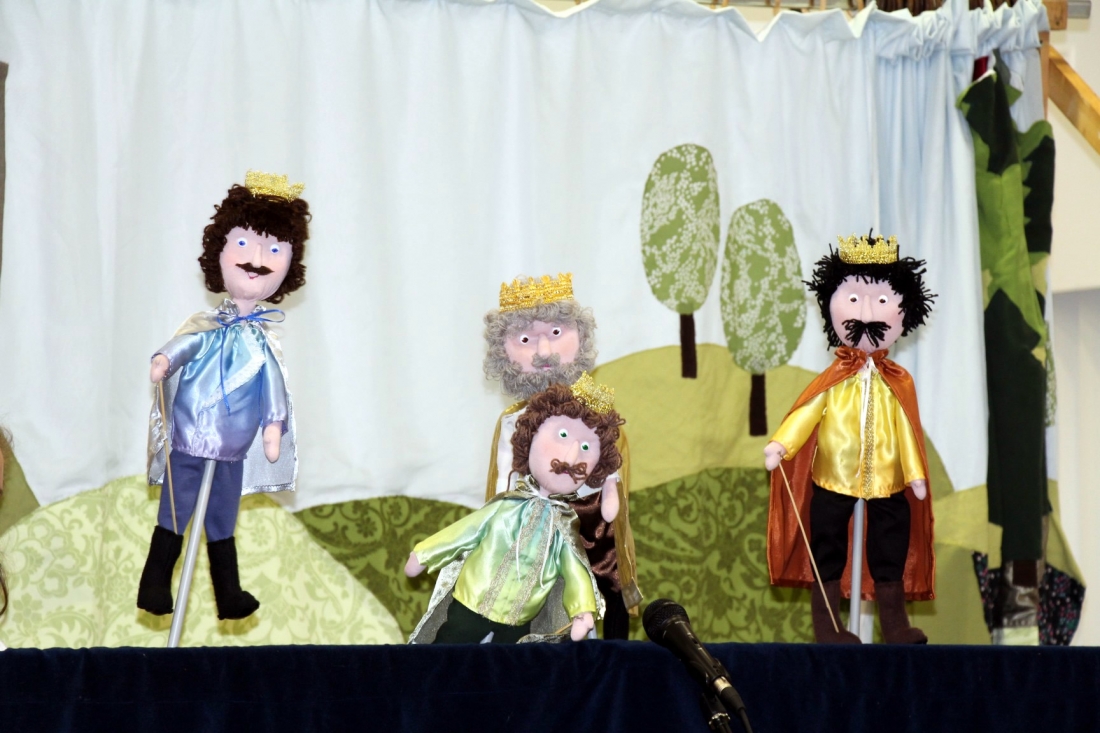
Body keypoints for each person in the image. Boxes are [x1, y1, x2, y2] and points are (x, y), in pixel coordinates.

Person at [137, 171, 309, 620]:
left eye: (274, 250)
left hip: (233, 447)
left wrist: (273, 427)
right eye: (245, 244)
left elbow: (273, 386)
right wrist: (164, 359)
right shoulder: (206, 326)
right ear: (220, 251)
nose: (258, 260)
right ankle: (154, 582)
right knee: (176, 507)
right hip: (191, 436)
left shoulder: (262, 342)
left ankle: (227, 593)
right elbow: (184, 345)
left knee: (222, 516)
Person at [763, 234, 936, 644]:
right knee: (827, 547)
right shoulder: (833, 378)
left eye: (881, 300)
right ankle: (828, 627)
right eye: (854, 299)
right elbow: (808, 412)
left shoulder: (899, 382)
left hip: (888, 482)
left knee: (890, 548)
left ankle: (894, 624)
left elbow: (906, 430)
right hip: (833, 478)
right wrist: (782, 444)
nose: (867, 312)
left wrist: (915, 475)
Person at [482, 273, 641, 638]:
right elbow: (503, 481)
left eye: (555, 333)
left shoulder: (595, 409)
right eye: (525, 339)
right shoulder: (512, 421)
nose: (543, 351)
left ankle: (613, 654)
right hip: (532, 529)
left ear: (579, 336)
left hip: (591, 525)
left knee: (608, 580)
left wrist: (605, 500)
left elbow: (613, 468)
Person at [406, 380, 623, 644]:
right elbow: (464, 531)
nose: (572, 456)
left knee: (511, 663)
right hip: (473, 601)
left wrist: (582, 611)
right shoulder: (505, 507)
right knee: (450, 649)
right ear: (531, 437)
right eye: (563, 435)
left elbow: (575, 570)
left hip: (520, 618)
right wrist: (425, 553)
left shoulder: (564, 528)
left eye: (586, 448)